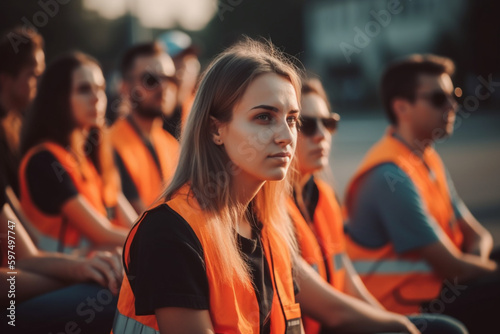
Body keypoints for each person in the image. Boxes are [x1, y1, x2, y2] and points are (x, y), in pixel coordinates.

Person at [111, 37, 421, 334]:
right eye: (263, 118)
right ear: (215, 129)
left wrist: (402, 326)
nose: (286, 136)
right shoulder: (170, 231)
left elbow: (328, 311)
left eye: (292, 119)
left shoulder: (269, 225)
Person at [289, 77, 467, 334]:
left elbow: (349, 283)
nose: (321, 135)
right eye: (306, 124)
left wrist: (392, 322)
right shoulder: (272, 211)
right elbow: (333, 312)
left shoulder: (325, 196)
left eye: (328, 123)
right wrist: (396, 324)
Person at [343, 54, 499, 332]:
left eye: (455, 94)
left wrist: (478, 260)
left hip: (435, 291)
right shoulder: (389, 175)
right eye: (439, 98)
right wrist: (484, 268)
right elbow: (453, 267)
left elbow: (478, 234)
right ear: (402, 107)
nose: (453, 105)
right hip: (401, 311)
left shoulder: (426, 158)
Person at [19, 52, 134, 254]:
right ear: (58, 99)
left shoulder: (90, 156)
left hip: (95, 274)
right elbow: (101, 233)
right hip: (58, 282)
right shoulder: (44, 160)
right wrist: (155, 241)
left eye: (100, 89)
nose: (97, 98)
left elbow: (132, 223)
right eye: (84, 90)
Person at [110, 42, 180, 215]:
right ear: (125, 88)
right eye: (151, 79)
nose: (163, 87)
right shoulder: (108, 145)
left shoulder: (173, 146)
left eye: (169, 79)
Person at [158, 30, 201, 139]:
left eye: (189, 60)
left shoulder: (203, 109)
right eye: (177, 60)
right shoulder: (149, 111)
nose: (184, 67)